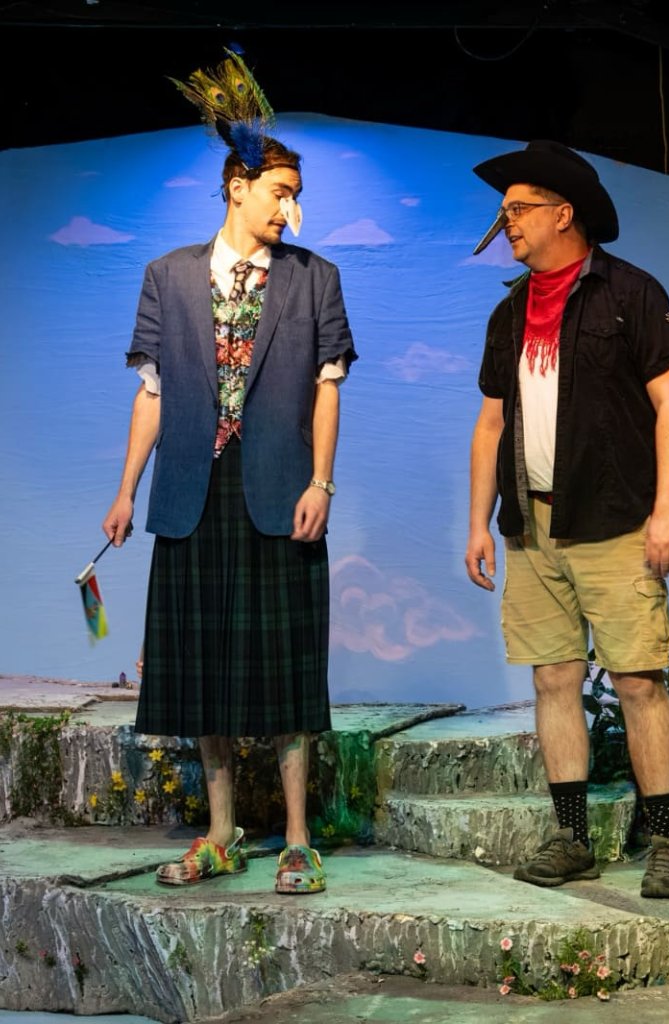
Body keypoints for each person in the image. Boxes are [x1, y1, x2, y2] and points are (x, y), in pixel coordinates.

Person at [102, 49, 356, 895]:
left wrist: (321, 483)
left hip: (281, 489)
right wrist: (125, 488)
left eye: (297, 193)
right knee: (203, 667)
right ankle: (219, 833)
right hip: (191, 492)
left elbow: (328, 391)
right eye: (281, 191)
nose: (294, 208)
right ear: (237, 187)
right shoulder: (167, 277)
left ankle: (294, 838)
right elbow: (152, 394)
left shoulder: (316, 279)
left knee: (287, 672)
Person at [464, 140, 669, 898]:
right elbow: (491, 423)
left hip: (618, 519)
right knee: (553, 679)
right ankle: (571, 838)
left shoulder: (629, 294)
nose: (508, 225)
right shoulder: (508, 312)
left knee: (637, 682)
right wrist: (478, 523)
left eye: (519, 210)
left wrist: (668, 510)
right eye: (504, 214)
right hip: (531, 526)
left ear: (564, 214)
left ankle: (664, 843)